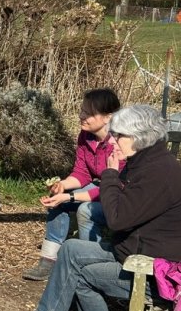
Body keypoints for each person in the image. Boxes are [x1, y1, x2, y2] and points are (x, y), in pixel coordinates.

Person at [1, 105, 181, 311]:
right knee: (71, 249)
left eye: (118, 136)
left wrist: (110, 172)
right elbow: (118, 207)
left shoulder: (158, 173)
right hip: (136, 254)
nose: (112, 141)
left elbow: (116, 218)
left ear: (139, 137)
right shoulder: (146, 161)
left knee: (81, 274)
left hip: (161, 275)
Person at [23, 88, 123, 282]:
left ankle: (88, 267)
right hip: (98, 187)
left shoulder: (119, 144)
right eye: (82, 111)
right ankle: (48, 260)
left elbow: (112, 188)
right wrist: (63, 185)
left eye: (88, 113)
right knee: (58, 201)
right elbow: (81, 173)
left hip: (116, 195)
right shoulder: (86, 137)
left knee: (86, 209)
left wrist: (70, 196)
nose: (82, 116)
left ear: (107, 117)